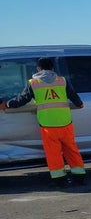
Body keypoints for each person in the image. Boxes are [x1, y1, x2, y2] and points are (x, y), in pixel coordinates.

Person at [0, 57, 86, 187]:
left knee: (53, 153)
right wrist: (79, 104)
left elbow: (21, 100)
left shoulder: (34, 83)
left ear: (38, 69)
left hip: (48, 125)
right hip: (65, 122)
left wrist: (6, 104)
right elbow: (74, 97)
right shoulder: (62, 81)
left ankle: (60, 180)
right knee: (71, 149)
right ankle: (79, 177)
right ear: (52, 68)